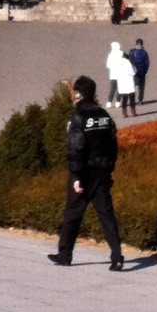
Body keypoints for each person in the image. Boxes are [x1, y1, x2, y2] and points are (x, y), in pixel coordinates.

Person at [48, 75, 124, 270]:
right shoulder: (105, 116)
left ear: (79, 94)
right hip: (102, 173)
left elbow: (75, 150)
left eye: (75, 92)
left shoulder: (78, 118)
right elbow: (113, 146)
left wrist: (76, 177)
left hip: (84, 174)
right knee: (107, 216)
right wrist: (109, 169)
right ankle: (117, 256)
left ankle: (65, 255)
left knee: (72, 215)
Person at [114, 48, 138, 119]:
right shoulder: (128, 63)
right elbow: (133, 72)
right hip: (129, 83)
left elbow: (115, 75)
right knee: (132, 99)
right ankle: (133, 112)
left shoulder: (117, 64)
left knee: (124, 99)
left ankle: (124, 113)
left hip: (122, 84)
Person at [129, 38, 150, 105]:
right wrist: (145, 71)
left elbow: (130, 61)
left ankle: (132, 100)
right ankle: (140, 100)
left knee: (133, 86)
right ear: (142, 44)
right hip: (142, 72)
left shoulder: (132, 52)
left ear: (136, 43)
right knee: (141, 87)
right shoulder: (144, 52)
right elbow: (147, 63)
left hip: (134, 72)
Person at [105, 38, 125, 105]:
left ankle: (109, 102)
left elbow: (108, 65)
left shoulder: (110, 55)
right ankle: (117, 102)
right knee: (119, 89)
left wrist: (112, 68)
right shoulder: (122, 54)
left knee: (112, 89)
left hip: (113, 75)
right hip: (121, 74)